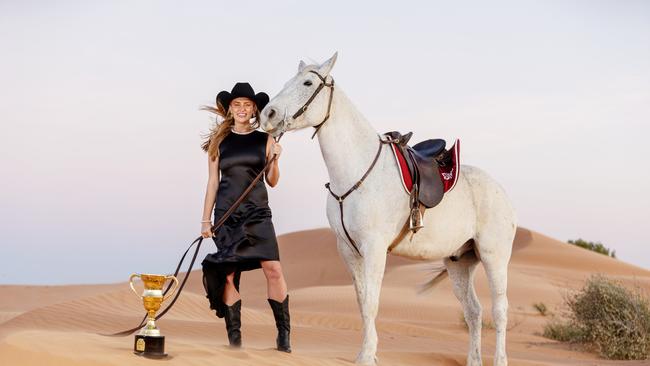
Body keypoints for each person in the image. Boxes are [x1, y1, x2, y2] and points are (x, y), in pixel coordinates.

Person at [199, 82, 291, 352]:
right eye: (237, 104)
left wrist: (275, 159)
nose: (242, 109)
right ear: (230, 109)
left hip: (258, 213)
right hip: (227, 215)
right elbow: (212, 184)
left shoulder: (266, 139)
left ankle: (283, 336)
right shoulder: (220, 142)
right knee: (228, 275)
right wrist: (206, 220)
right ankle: (235, 341)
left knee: (273, 269)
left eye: (247, 105)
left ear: (254, 110)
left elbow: (272, 181)